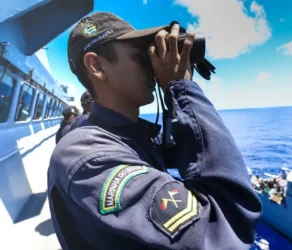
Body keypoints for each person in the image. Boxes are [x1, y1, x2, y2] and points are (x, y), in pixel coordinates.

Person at [48, 12, 262, 250]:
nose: (153, 64)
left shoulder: (129, 136)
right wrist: (183, 87)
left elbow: (193, 153)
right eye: (141, 56)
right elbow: (228, 226)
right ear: (97, 66)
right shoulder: (87, 156)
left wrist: (176, 92)